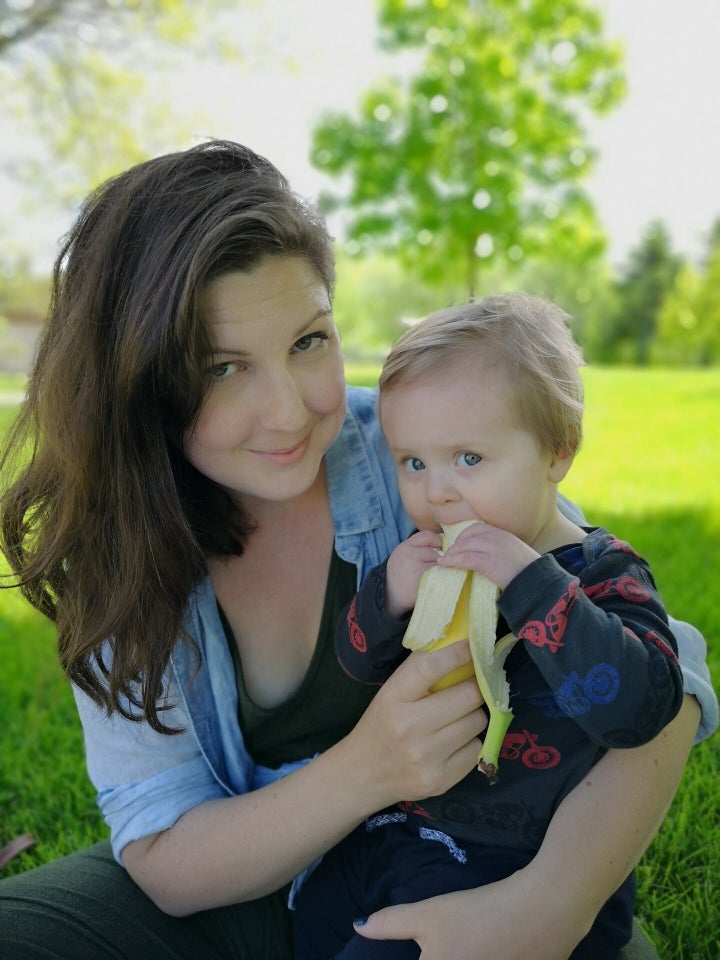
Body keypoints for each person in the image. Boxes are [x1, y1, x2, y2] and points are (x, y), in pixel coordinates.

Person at [0, 140, 715, 960]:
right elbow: (164, 849)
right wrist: (368, 769)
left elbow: (667, 669)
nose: (291, 412)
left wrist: (547, 907)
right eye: (223, 367)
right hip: (254, 877)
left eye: (309, 341)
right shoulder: (116, 547)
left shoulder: (420, 450)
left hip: (474, 881)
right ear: (137, 383)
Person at [293, 295, 686, 960]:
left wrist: (532, 586)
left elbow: (640, 711)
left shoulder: (603, 575)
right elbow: (353, 666)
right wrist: (386, 599)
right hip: (405, 832)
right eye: (413, 463)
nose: (437, 492)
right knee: (310, 925)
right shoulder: (428, 562)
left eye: (468, 459)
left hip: (508, 864)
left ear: (558, 454)